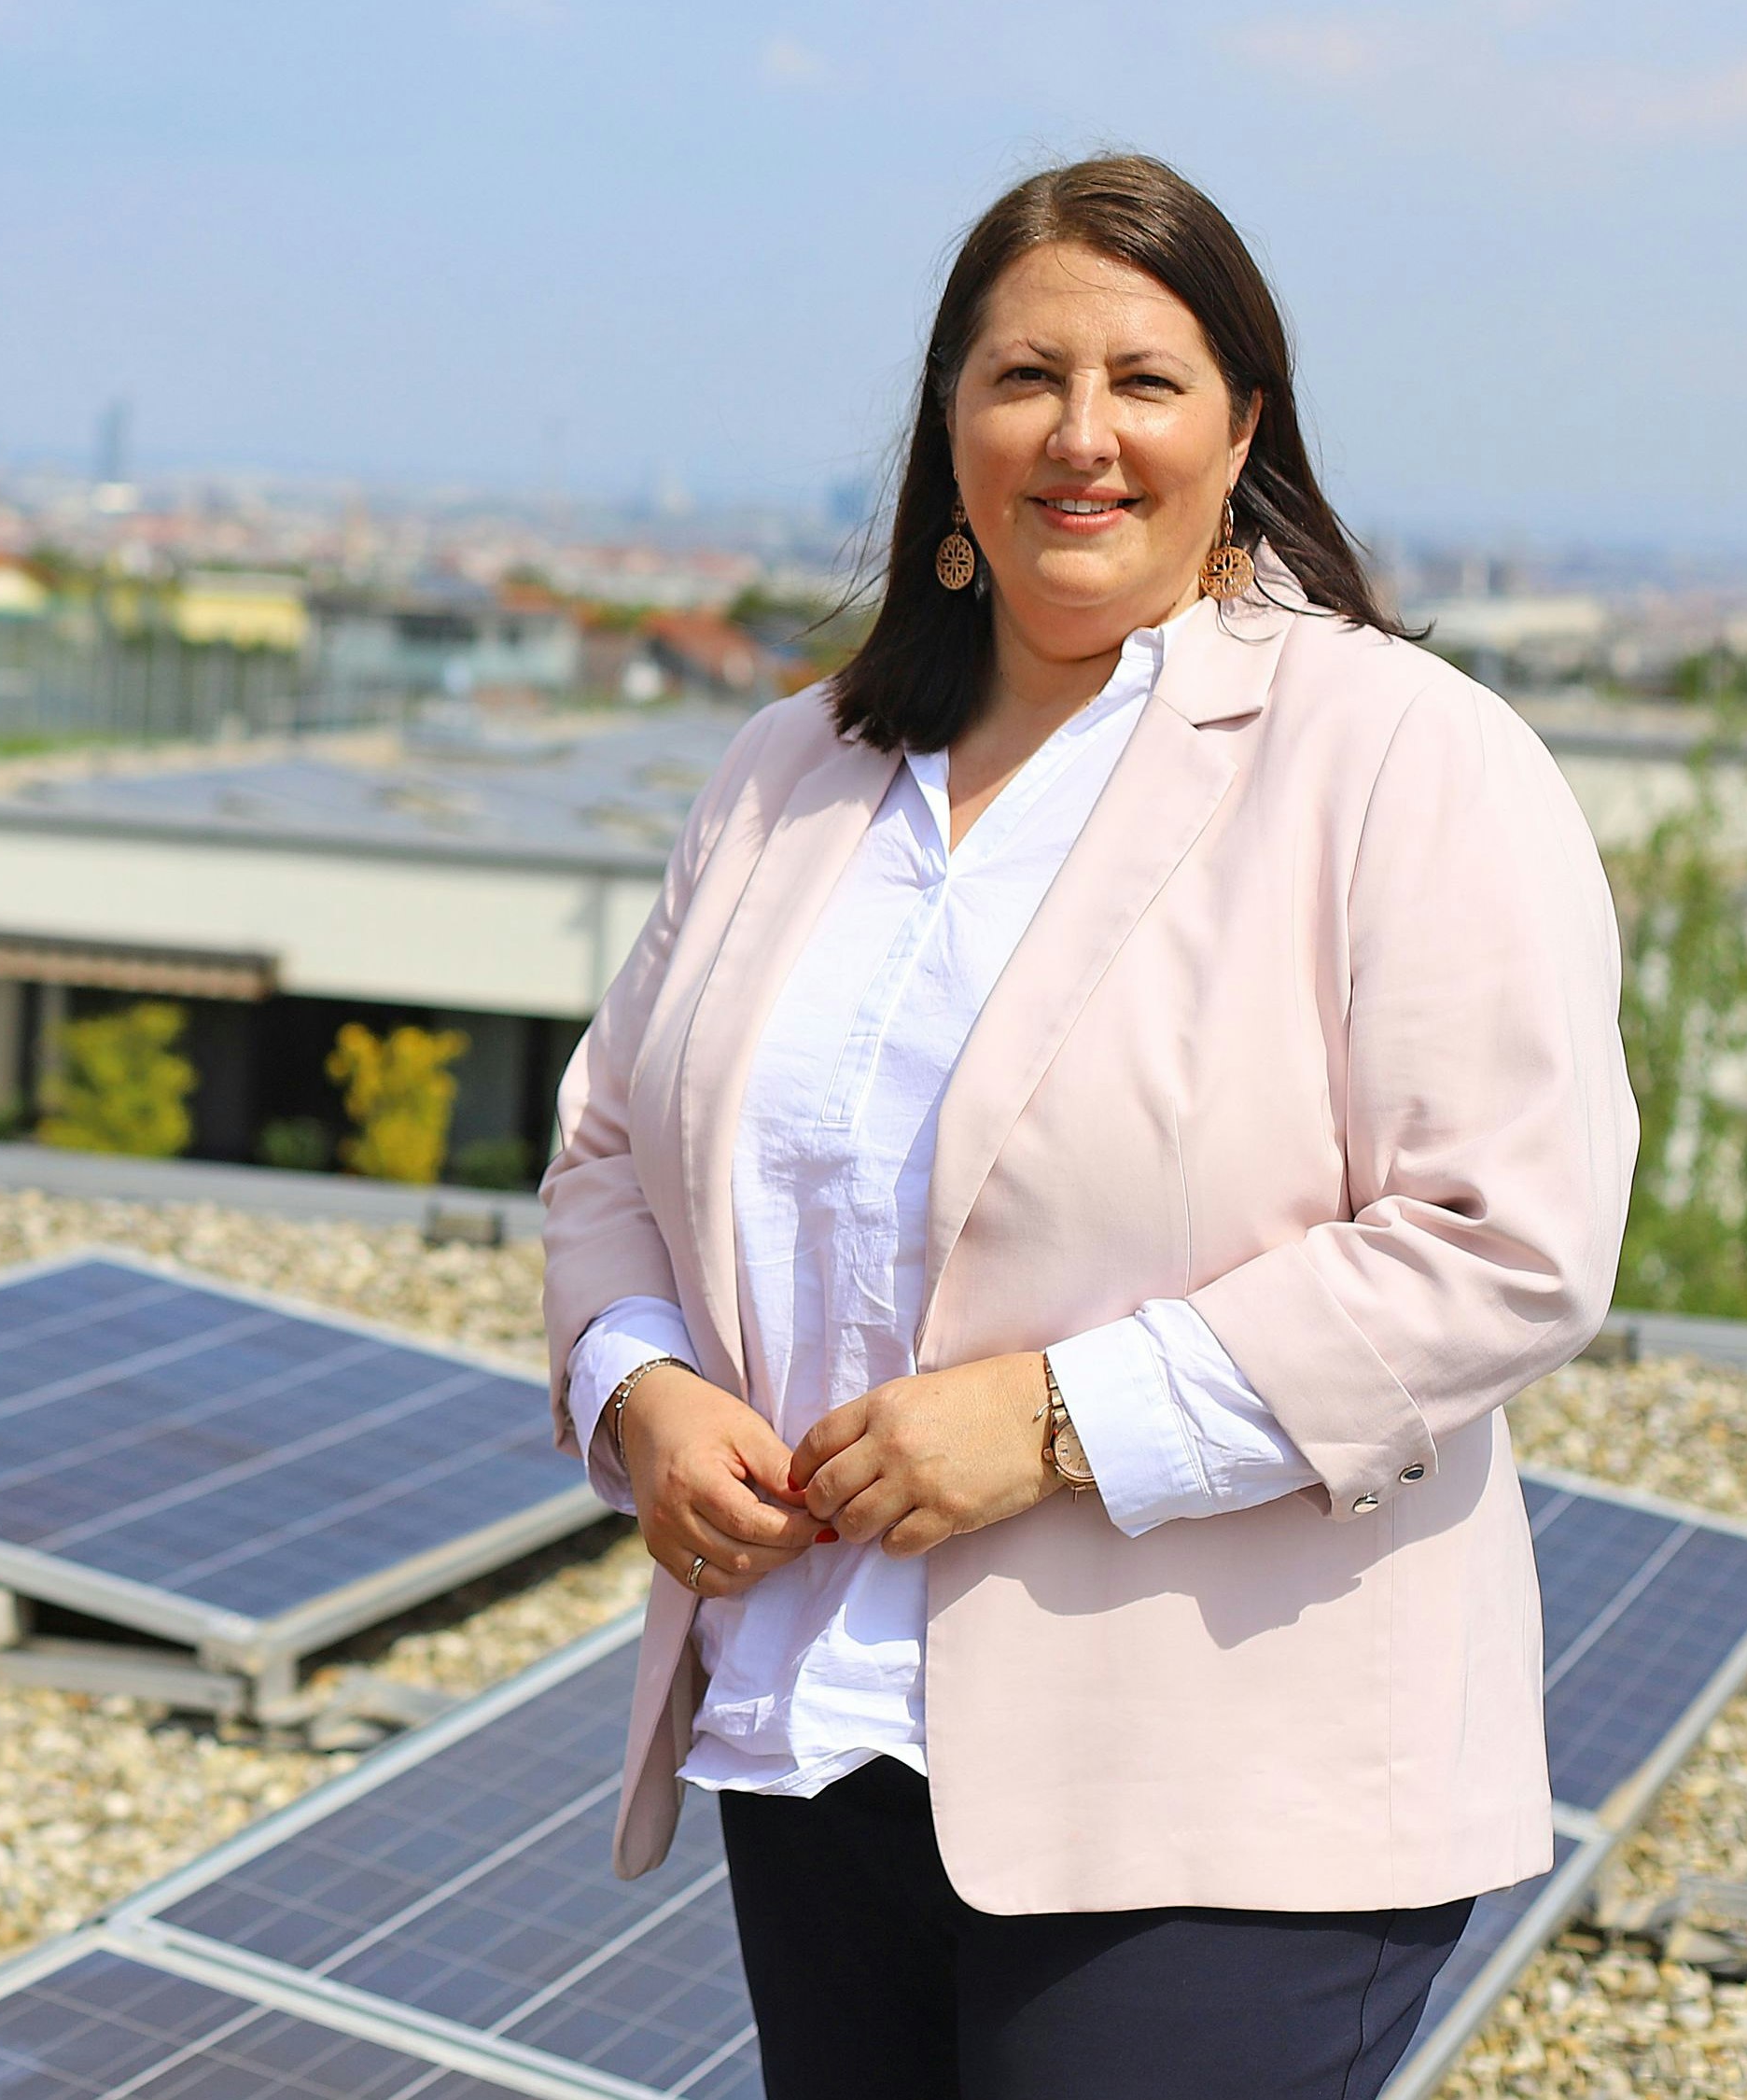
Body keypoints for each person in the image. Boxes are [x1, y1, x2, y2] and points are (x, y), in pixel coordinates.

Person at [538, 154, 1633, 2100]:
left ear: (1241, 430)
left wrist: (1050, 1421)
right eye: (1019, 377)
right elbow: (610, 1148)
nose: (1076, 435)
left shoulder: (1397, 755)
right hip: (814, 1732)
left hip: (1221, 1797)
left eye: (1140, 379)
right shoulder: (791, 767)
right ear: (944, 426)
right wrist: (634, 1384)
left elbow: (1504, 1237)